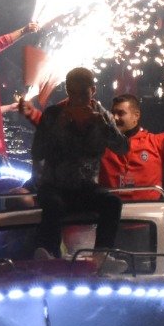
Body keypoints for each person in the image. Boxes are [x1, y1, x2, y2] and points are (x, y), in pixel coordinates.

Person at [29, 67, 130, 262]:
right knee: (53, 205)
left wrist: (104, 126)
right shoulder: (53, 114)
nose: (78, 99)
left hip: (85, 188)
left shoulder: (103, 116)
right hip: (55, 186)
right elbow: (37, 152)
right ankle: (48, 254)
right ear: (67, 91)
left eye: (83, 93)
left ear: (93, 90)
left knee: (112, 203)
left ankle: (101, 255)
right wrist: (59, 127)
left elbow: (123, 148)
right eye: (72, 93)